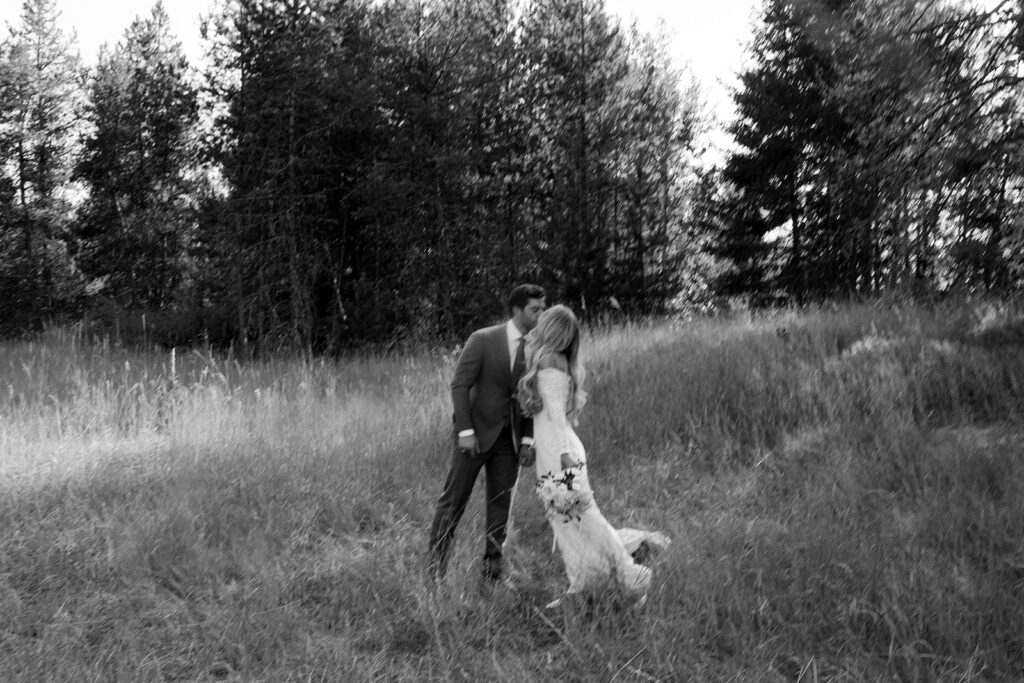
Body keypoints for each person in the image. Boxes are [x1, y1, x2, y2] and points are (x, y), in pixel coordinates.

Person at [518, 304, 669, 605]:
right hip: (553, 453)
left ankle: (630, 576)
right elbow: (547, 415)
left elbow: (557, 415)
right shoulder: (554, 359)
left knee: (584, 520)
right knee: (566, 524)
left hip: (561, 455)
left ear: (551, 329)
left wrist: (564, 456)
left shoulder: (549, 359)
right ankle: (585, 584)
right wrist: (535, 445)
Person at [427, 284, 547, 584]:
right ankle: (435, 570)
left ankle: (492, 572)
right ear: (517, 310)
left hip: (510, 441)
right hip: (475, 436)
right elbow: (459, 385)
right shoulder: (482, 339)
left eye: (542, 309)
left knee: (500, 505)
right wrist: (465, 431)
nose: (540, 315)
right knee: (453, 501)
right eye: (535, 309)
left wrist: (527, 440)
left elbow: (532, 397)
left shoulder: (536, 348)